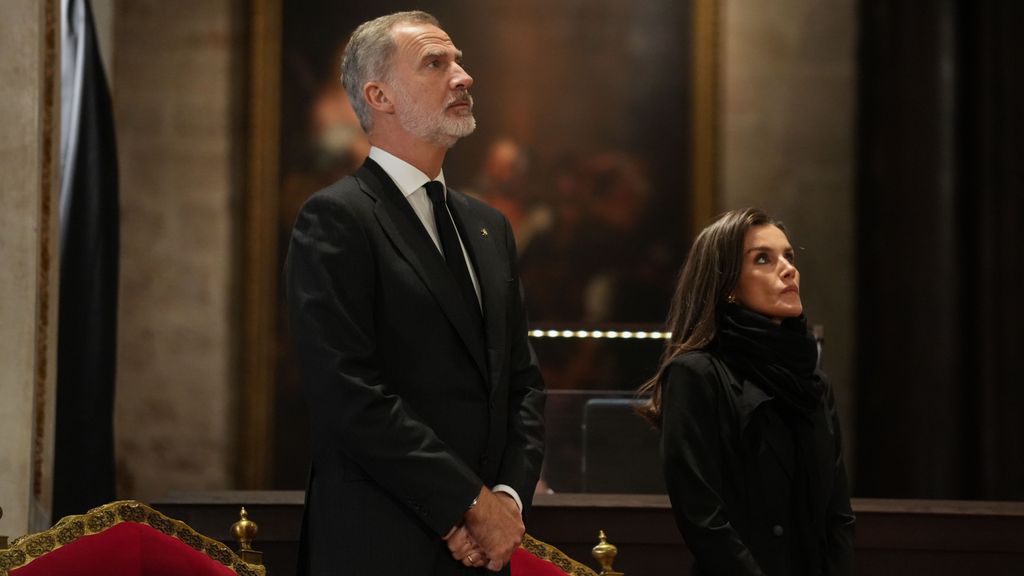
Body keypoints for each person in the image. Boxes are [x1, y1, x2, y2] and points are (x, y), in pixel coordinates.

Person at [285, 11, 545, 575]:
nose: (463, 76)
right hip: (379, 545)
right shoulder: (337, 217)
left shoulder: (488, 225)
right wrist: (467, 508)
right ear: (380, 95)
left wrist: (507, 500)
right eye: (436, 63)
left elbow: (520, 381)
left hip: (486, 553)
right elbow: (348, 392)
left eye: (458, 60)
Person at [638, 208, 855, 575]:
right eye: (763, 260)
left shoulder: (813, 382)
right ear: (728, 288)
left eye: (789, 256)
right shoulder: (696, 374)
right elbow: (702, 517)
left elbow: (839, 515)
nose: (788, 269)